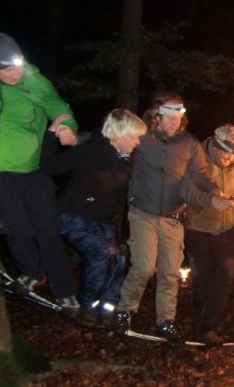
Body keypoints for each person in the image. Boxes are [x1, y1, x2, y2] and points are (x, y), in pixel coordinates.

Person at [0, 31, 80, 316]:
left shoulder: (34, 81)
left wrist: (68, 127)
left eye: (18, 65)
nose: (15, 73)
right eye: (6, 69)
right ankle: (32, 273)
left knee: (47, 231)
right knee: (14, 229)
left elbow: (59, 108)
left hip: (35, 173)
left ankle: (67, 293)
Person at [113, 92, 227, 346]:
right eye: (169, 114)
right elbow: (117, 144)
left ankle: (166, 322)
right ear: (157, 113)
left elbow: (201, 174)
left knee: (170, 273)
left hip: (173, 217)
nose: (174, 120)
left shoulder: (189, 143)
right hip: (143, 213)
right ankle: (124, 310)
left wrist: (214, 191)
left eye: (179, 115)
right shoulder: (142, 137)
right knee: (144, 266)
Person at [41, 109, 147, 327]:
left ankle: (106, 308)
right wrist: (50, 136)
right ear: (120, 134)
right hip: (73, 215)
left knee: (119, 258)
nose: (138, 142)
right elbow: (51, 166)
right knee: (101, 253)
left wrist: (119, 230)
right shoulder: (88, 150)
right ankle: (85, 307)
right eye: (134, 136)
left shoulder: (126, 157)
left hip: (104, 218)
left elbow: (118, 195)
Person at [180, 124, 234, 346]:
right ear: (215, 145)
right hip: (198, 228)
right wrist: (211, 201)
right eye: (226, 153)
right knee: (203, 279)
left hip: (226, 229)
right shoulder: (197, 156)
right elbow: (187, 190)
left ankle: (209, 326)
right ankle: (200, 325)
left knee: (225, 276)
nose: (231, 158)